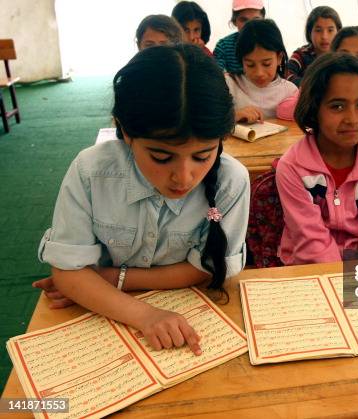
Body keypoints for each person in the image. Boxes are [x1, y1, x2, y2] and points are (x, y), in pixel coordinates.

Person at [33, 45, 250, 354]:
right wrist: (145, 315)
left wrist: (102, 279)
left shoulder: (231, 181)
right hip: (98, 323)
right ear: (124, 130)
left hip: (136, 306)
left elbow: (207, 268)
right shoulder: (91, 172)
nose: (184, 177)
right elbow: (69, 274)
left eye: (202, 156)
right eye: (161, 157)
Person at [276, 53, 358, 265]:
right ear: (314, 108)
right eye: (337, 106)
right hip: (307, 271)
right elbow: (311, 242)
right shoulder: (292, 167)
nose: (352, 119)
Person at [277, 26, 358, 125]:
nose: (351, 62)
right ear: (332, 57)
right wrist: (316, 94)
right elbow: (283, 110)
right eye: (344, 55)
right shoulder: (322, 78)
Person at [225, 19, 297, 123]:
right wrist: (234, 116)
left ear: (279, 58)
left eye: (266, 64)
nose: (259, 73)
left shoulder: (290, 92)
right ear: (241, 61)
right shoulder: (229, 85)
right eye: (250, 65)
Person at [287, 6, 342, 86]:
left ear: (338, 32)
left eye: (330, 30)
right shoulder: (301, 55)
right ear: (309, 32)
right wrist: (316, 85)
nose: (324, 36)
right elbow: (287, 77)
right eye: (318, 30)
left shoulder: (342, 54)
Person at [214, 0, 265, 74]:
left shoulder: (272, 43)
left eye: (256, 20)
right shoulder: (223, 46)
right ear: (234, 21)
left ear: (263, 20)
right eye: (244, 20)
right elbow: (216, 75)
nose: (250, 25)